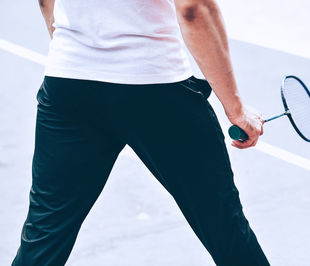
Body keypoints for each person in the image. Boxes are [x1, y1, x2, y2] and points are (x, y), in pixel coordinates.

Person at [12, 0, 270, 265]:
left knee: (43, 236)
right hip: (155, 87)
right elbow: (194, 7)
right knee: (225, 228)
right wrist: (236, 110)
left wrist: (80, 59)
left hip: (69, 84)